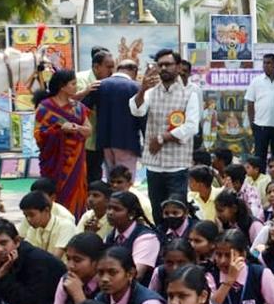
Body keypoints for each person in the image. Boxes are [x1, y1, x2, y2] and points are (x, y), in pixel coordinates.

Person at [130, 49, 200, 211]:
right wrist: (142, 89)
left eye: (167, 64)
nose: (163, 68)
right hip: (154, 166)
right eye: (160, 65)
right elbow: (137, 110)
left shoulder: (190, 93)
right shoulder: (151, 92)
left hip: (177, 165)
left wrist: (163, 138)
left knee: (176, 213)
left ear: (177, 67)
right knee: (158, 212)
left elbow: (191, 127)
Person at [33, 69, 92, 217]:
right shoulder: (45, 107)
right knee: (56, 192)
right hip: (55, 161)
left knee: (76, 193)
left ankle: (76, 223)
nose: (76, 87)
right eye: (73, 84)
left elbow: (88, 130)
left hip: (76, 160)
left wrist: (76, 127)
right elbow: (39, 135)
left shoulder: (78, 107)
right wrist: (60, 131)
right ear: (62, 86)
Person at [0, 218, 66, 304]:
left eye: (3, 243)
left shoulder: (36, 259)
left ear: (17, 241)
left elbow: (31, 302)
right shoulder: (3, 262)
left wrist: (4, 277)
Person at [94, 57, 143, 176]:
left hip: (105, 141)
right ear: (135, 71)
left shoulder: (100, 85)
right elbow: (142, 116)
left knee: (111, 178)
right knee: (125, 178)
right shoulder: (136, 87)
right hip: (128, 141)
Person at [75, 48, 114, 183]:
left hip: (101, 140)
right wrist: (86, 92)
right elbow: (68, 104)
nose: (111, 71)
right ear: (96, 67)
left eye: (112, 67)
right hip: (81, 141)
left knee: (95, 177)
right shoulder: (80, 79)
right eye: (108, 67)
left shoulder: (111, 82)